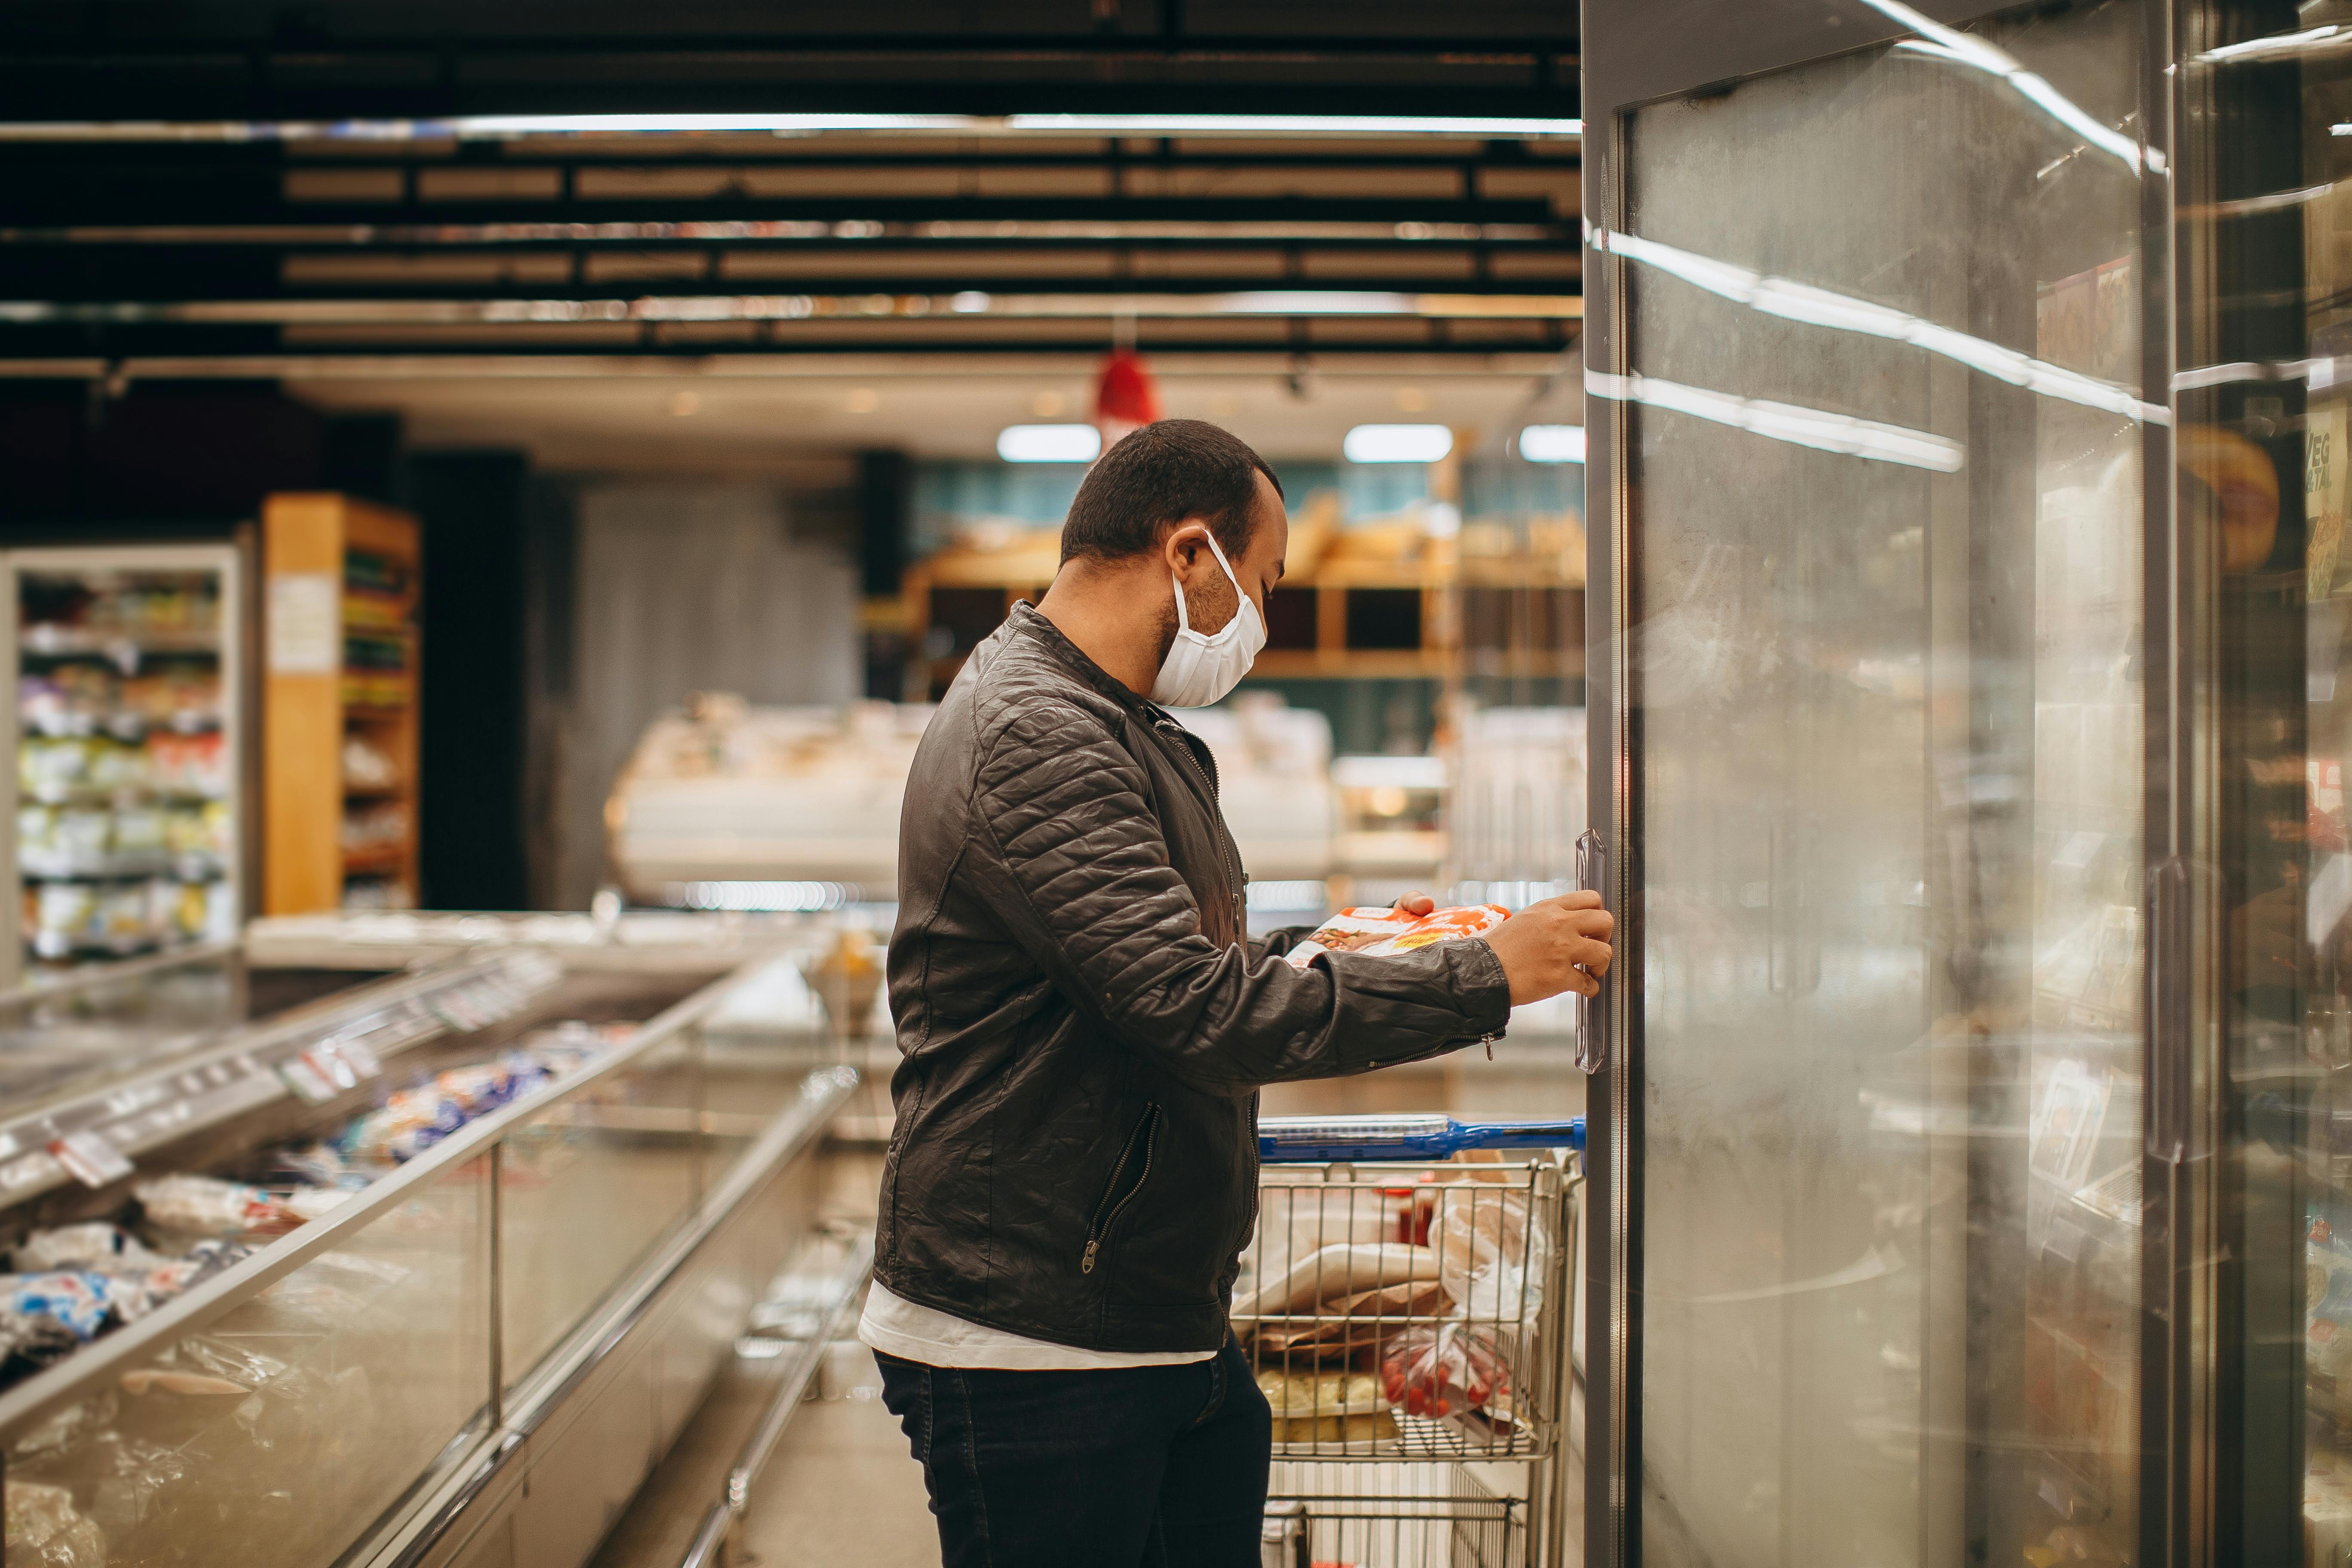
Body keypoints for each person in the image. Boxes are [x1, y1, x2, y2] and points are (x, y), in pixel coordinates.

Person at [861, 418, 1614, 1568]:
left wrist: (1393, 938)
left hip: (1141, 1309)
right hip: (1033, 1335)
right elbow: (1198, 1010)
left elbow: (1191, 959)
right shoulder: (1040, 732)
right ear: (1189, 553)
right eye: (1265, 585)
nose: (1264, 622)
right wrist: (1482, 978)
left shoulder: (1120, 724)